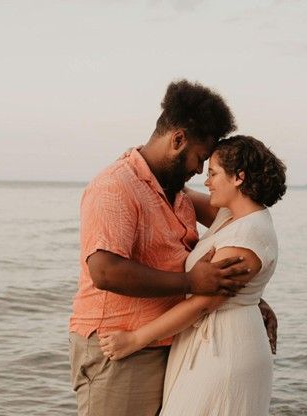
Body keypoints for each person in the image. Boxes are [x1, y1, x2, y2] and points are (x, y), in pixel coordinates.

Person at [69, 80, 277, 416]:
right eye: (199, 158)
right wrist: (192, 284)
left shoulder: (177, 193)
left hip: (165, 340)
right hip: (120, 346)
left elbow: (240, 228)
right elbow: (105, 271)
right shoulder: (115, 187)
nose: (199, 170)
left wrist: (248, 298)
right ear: (178, 139)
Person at [98, 135, 287, 415]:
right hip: (210, 342)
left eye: (213, 173)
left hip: (225, 350)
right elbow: (178, 189)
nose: (207, 180)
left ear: (239, 178)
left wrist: (135, 340)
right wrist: (141, 160)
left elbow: (203, 303)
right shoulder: (231, 216)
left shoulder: (248, 233)